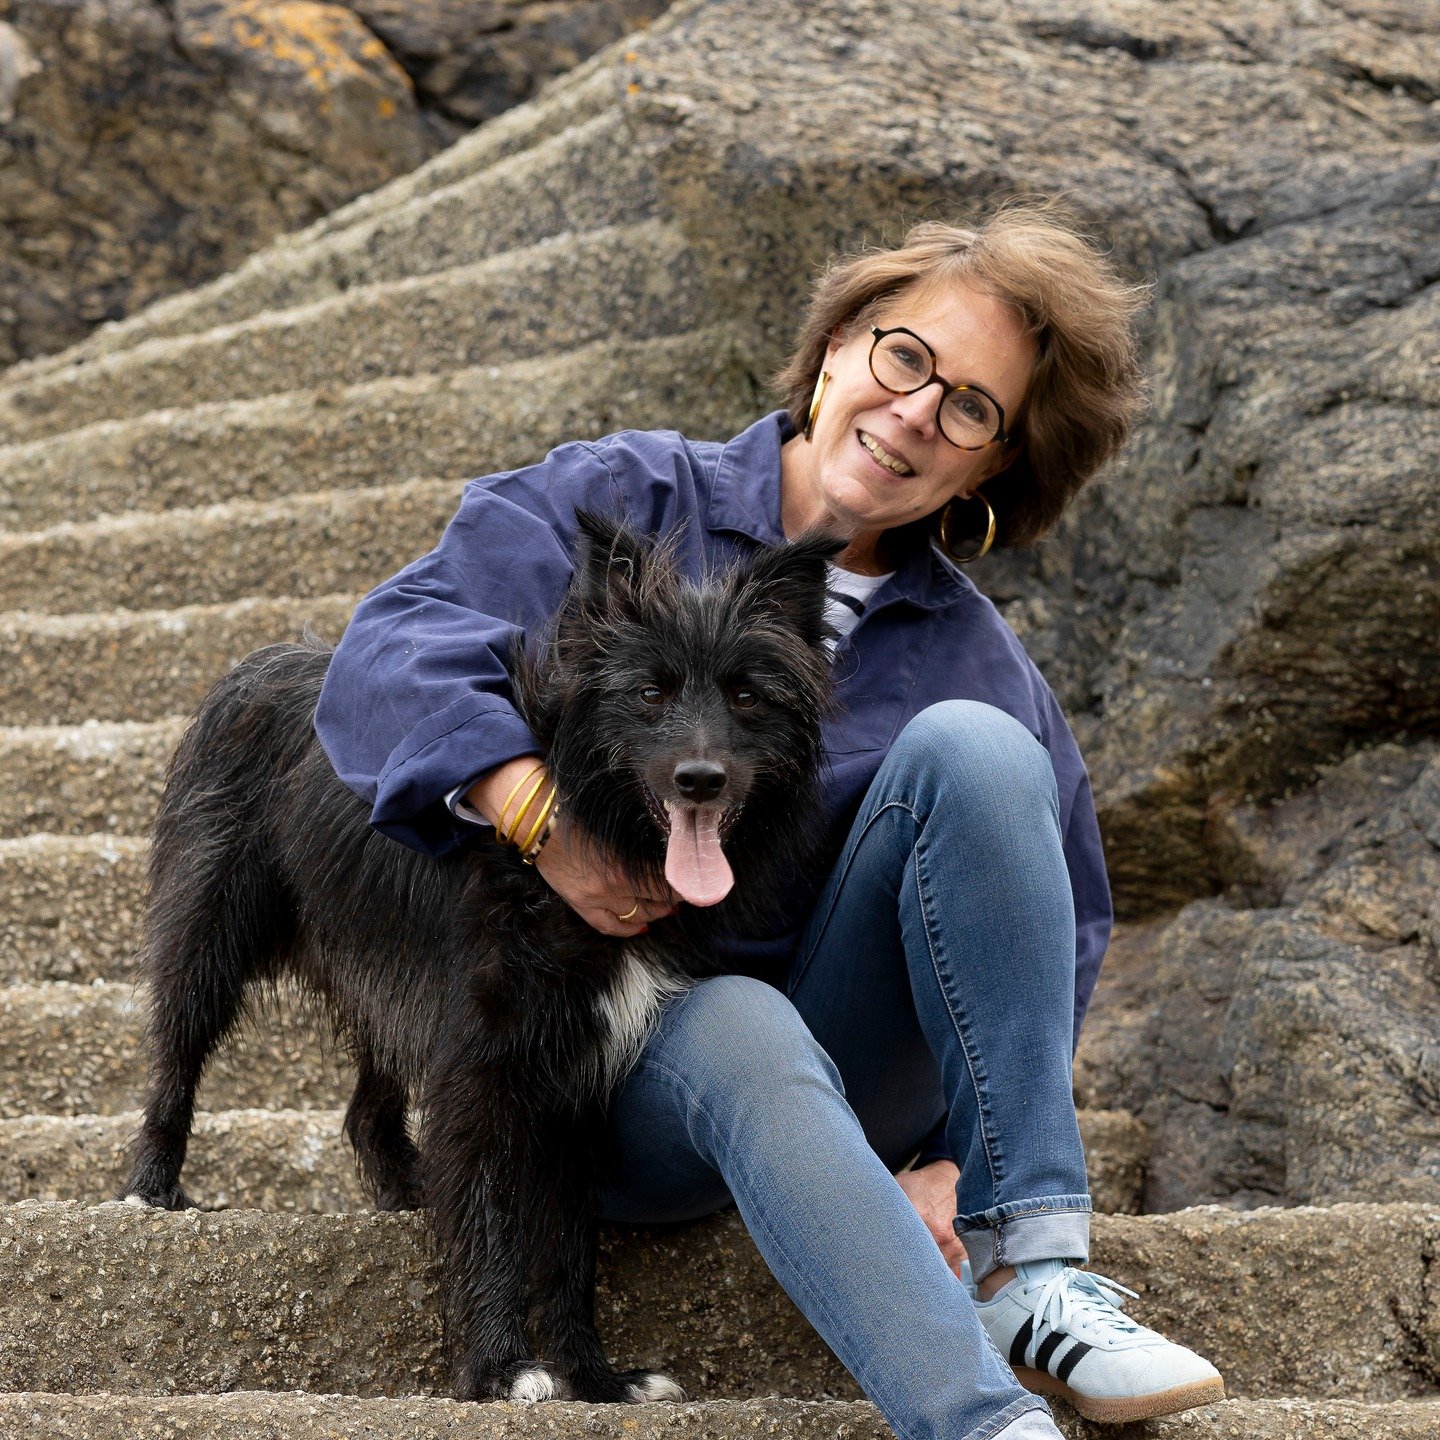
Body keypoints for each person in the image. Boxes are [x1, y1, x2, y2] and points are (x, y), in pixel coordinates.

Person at [315, 203, 1226, 1438]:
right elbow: (386, 653)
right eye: (907, 358)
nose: (916, 414)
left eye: (971, 409)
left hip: (843, 1064)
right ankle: (979, 1424)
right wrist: (534, 809)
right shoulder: (628, 500)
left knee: (978, 748)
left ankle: (1037, 1271)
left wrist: (961, 1158)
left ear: (993, 466)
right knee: (737, 1017)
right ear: (841, 343)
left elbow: (1058, 924)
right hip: (607, 1061)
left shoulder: (971, 652)